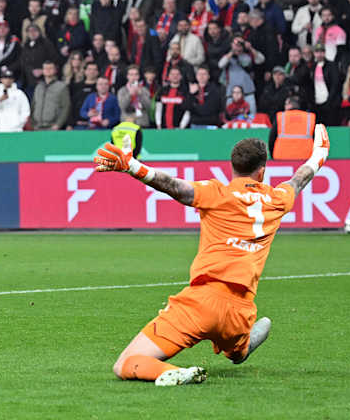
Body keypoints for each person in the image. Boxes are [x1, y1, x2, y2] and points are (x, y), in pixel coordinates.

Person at [95, 124, 331, 385]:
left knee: (125, 364)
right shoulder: (277, 199)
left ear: (232, 167)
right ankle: (241, 345)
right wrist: (319, 153)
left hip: (201, 304)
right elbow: (300, 179)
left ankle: (172, 373)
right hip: (240, 311)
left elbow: (173, 186)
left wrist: (133, 167)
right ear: (262, 171)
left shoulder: (217, 193)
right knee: (237, 352)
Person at [0, 67, 30, 132]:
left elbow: (26, 111)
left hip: (16, 130)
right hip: (0, 129)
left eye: (10, 78)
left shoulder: (19, 93)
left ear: (13, 80)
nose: (7, 80)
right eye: (5, 78)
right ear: (1, 79)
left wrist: (19, 123)